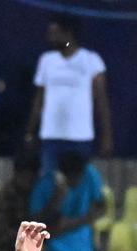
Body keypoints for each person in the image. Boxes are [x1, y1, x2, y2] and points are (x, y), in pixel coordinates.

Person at [26, 14, 113, 173]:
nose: (50, 38)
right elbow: (39, 100)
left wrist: (107, 137)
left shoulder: (91, 60)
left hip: (79, 137)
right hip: (51, 136)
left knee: (77, 183)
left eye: (54, 33)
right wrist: (30, 132)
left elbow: (102, 101)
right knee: (49, 182)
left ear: (68, 34)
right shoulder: (46, 60)